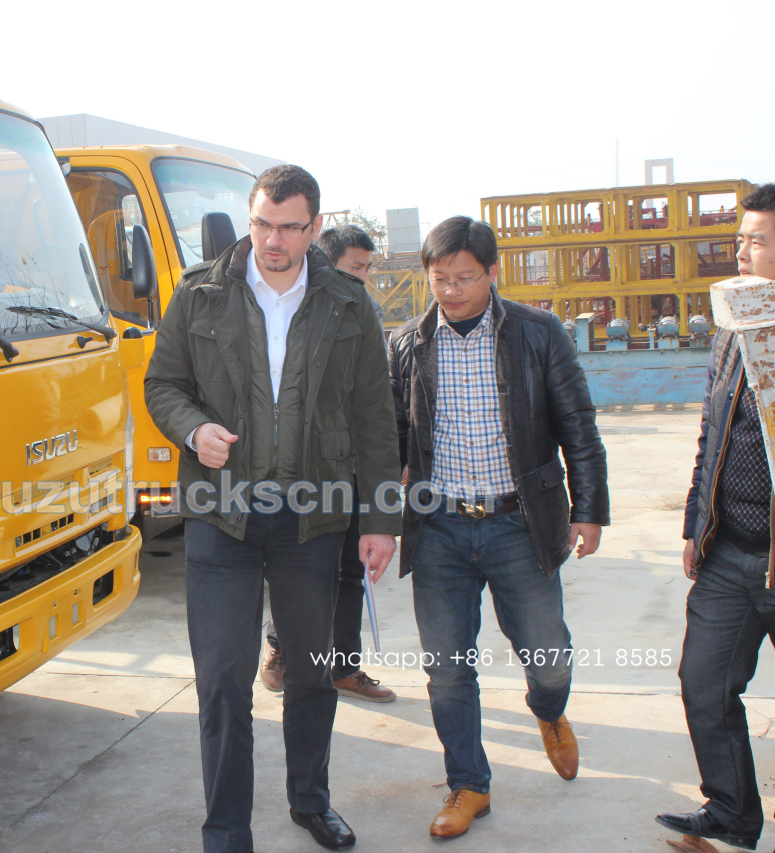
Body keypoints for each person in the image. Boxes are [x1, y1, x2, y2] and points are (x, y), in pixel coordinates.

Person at [145, 165, 401, 853]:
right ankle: (226, 830)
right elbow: (162, 384)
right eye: (262, 223)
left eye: (289, 226)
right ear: (250, 217)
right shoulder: (199, 295)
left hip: (311, 522)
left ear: (314, 227)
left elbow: (377, 418)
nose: (273, 240)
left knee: (313, 671)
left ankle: (310, 801)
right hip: (221, 520)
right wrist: (194, 428)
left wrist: (381, 520)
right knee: (224, 680)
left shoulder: (348, 303)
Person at [388, 215, 608, 839]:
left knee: (549, 655)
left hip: (519, 524)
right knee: (448, 667)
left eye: (464, 278)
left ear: (490, 272)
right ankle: (469, 785)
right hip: (441, 531)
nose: (451, 291)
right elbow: (393, 439)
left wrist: (588, 509)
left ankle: (550, 710)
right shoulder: (409, 344)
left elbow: (578, 427)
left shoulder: (538, 334)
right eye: (439, 279)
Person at [655, 183, 775, 852]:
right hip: (732, 549)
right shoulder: (733, 325)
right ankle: (731, 813)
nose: (743, 252)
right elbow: (711, 432)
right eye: (741, 240)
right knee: (704, 682)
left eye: (757, 240)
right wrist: (696, 528)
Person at [260, 225, 395, 703]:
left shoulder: (365, 313)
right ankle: (281, 651)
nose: (362, 278)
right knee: (297, 566)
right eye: (354, 267)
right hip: (307, 474)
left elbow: (379, 402)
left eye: (366, 268)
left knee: (349, 572)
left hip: (354, 469)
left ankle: (344, 667)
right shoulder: (292, 310)